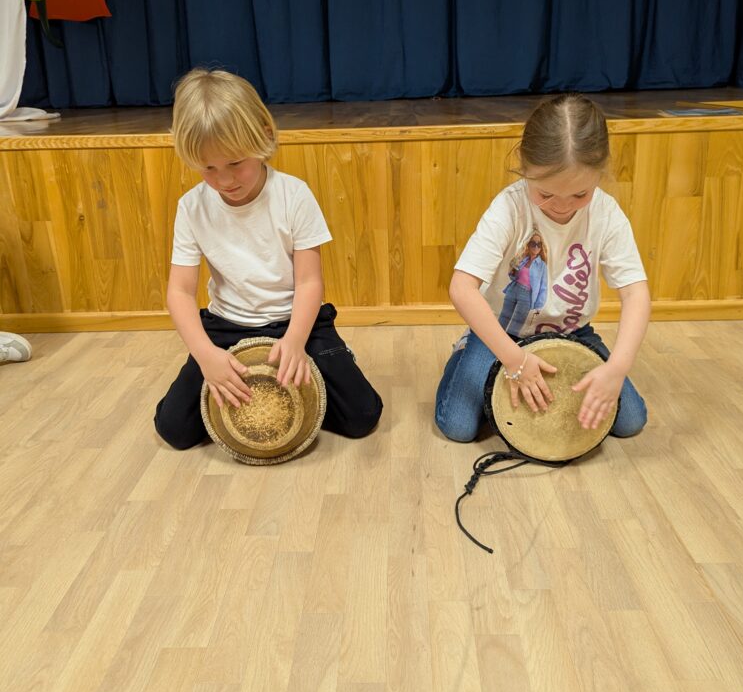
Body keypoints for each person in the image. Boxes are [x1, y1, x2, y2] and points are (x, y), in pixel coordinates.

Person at [154, 68, 382, 450]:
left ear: (262, 136)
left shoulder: (294, 195)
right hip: (226, 327)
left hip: (297, 323)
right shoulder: (191, 207)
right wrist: (206, 355)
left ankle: (328, 369)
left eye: (235, 163)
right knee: (174, 430)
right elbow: (179, 292)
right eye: (208, 168)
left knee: (362, 416)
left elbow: (309, 282)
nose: (225, 180)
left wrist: (295, 341)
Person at [435, 93, 649, 443]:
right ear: (525, 166)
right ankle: (465, 352)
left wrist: (616, 369)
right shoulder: (509, 207)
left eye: (579, 195)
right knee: (458, 427)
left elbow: (635, 293)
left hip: (572, 334)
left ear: (600, 173)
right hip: (504, 333)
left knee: (630, 422)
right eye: (546, 194)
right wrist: (514, 360)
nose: (562, 207)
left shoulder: (606, 213)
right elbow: (461, 287)